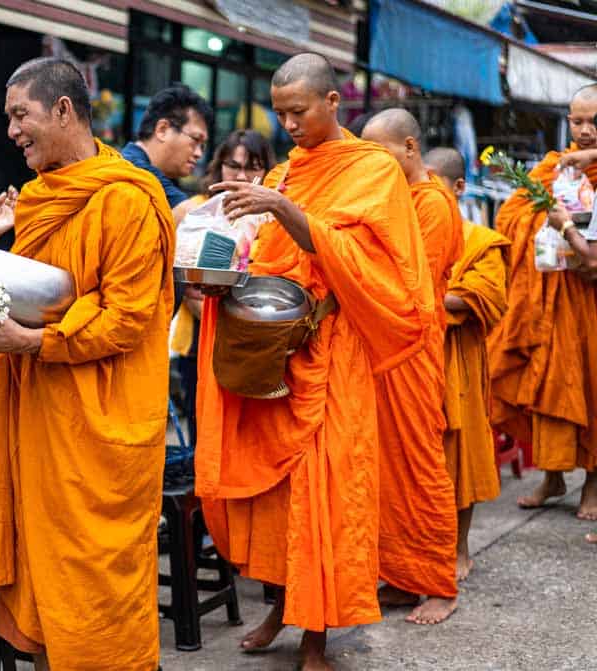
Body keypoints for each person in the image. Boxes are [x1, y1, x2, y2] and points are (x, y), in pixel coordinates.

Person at [0, 57, 175, 671]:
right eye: (9, 118)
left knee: (95, 584)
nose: (12, 130)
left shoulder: (125, 200)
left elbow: (126, 318)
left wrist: (31, 342)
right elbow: (30, 299)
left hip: (100, 426)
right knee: (40, 579)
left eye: (22, 115)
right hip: (39, 415)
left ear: (64, 109)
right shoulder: (42, 196)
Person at [196, 53, 433, 670]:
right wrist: (224, 273)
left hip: (337, 356)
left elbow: (371, 269)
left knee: (328, 497)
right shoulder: (286, 172)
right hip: (282, 354)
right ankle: (281, 605)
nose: (289, 125)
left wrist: (284, 211)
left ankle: (317, 637)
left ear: (333, 103)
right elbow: (272, 263)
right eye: (280, 115)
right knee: (278, 499)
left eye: (298, 112)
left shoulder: (373, 170)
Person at [360, 109, 462, 625]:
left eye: (380, 153)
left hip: (415, 349)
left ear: (409, 148)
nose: (373, 164)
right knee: (387, 471)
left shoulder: (433, 206)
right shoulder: (396, 199)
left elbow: (409, 280)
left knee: (421, 468)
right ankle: (403, 578)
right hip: (384, 350)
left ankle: (440, 583)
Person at [489, 84, 597, 522]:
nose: (586, 130)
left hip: (590, 302)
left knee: (590, 389)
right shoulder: (553, 169)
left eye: (595, 121)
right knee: (547, 382)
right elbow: (509, 218)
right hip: (551, 299)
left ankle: (593, 483)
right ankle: (552, 476)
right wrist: (545, 215)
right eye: (578, 120)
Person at [424, 146, 510, 581]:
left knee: (458, 464)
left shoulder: (481, 240)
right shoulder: (412, 232)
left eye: (432, 183)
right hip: (413, 364)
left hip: (457, 362)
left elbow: (487, 297)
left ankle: (459, 551)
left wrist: (427, 300)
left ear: (459, 187)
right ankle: (415, 558)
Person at [171, 130, 276, 448]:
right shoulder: (194, 211)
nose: (242, 176)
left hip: (253, 344)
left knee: (247, 438)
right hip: (199, 342)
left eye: (253, 167)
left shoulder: (272, 214)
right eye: (234, 166)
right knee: (203, 432)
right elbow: (176, 271)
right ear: (219, 167)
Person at [121, 84, 214, 219]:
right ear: (162, 130)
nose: (199, 153)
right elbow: (191, 219)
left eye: (202, 146)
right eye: (195, 139)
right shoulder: (133, 171)